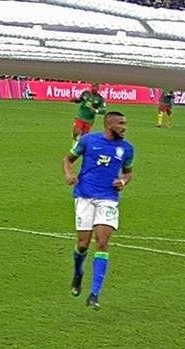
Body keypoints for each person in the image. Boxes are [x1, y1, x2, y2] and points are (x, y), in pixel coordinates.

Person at [63, 111, 134, 310]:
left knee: (102, 242)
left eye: (125, 123)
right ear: (109, 124)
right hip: (84, 196)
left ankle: (94, 294)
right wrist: (69, 174)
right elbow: (68, 159)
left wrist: (122, 181)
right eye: (121, 123)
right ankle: (78, 273)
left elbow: (128, 173)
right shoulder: (88, 141)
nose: (124, 127)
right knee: (83, 244)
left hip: (108, 199)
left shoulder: (127, 149)